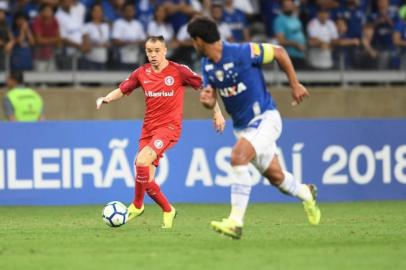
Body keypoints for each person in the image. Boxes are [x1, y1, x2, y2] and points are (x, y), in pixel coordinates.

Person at [187, 16, 321, 239]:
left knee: (238, 157)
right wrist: (207, 100)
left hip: (265, 118)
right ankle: (307, 193)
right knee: (277, 178)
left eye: (193, 41)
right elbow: (210, 100)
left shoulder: (242, 52)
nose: (193, 45)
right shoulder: (207, 65)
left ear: (199, 40)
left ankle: (235, 222)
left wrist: (295, 84)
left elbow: (279, 52)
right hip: (242, 128)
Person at [96, 36, 225, 229]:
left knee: (142, 161)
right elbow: (123, 89)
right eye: (149, 51)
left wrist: (218, 113)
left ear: (165, 50)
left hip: (169, 127)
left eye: (157, 50)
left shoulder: (179, 71)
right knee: (146, 179)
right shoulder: (142, 72)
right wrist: (106, 98)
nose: (153, 55)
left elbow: (206, 89)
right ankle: (167, 209)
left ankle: (137, 205)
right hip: (148, 129)